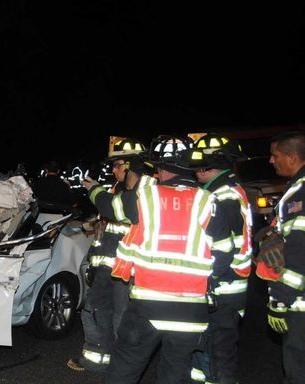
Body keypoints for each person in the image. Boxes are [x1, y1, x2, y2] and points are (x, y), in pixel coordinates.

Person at [105, 135, 220, 384]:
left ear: (160, 167)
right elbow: (222, 253)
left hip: (147, 306)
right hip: (191, 310)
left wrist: (93, 190)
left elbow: (109, 207)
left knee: (123, 371)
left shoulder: (146, 197)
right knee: (175, 375)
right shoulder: (208, 201)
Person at [68, 138, 155, 373]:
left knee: (121, 317)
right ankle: (97, 359)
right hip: (108, 266)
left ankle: (121, 364)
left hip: (128, 270)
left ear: (130, 165)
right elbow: (108, 224)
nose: (113, 170)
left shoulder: (147, 190)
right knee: (94, 309)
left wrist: (94, 190)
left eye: (117, 165)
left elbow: (115, 211)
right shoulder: (118, 189)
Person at [188, 134, 252, 384]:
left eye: (196, 165)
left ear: (206, 165)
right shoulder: (225, 190)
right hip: (225, 287)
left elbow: (222, 250)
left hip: (222, 287)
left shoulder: (221, 197)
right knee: (207, 351)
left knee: (219, 353)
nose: (194, 171)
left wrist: (203, 279)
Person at [255, 130, 305, 384]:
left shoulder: (300, 195)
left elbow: (299, 253)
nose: (271, 161)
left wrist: (280, 301)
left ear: (292, 157)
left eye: (275, 156)